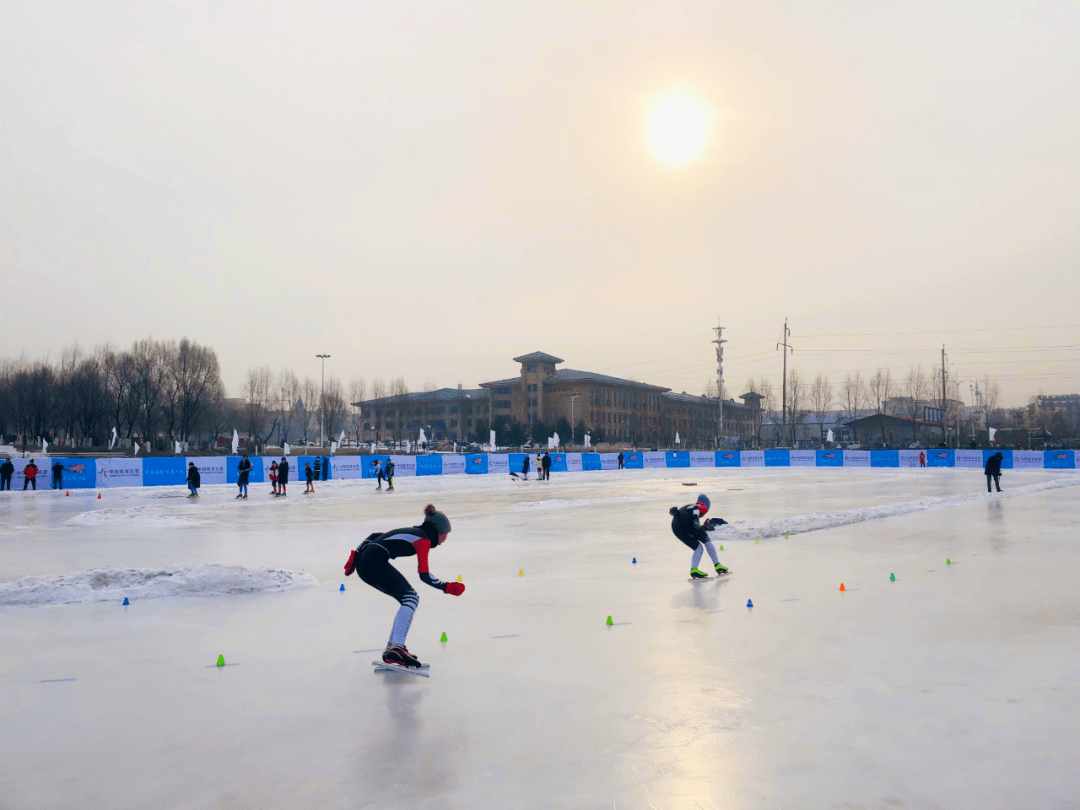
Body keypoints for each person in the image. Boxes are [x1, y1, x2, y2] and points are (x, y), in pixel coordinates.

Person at [343, 504, 464, 669]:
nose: (445, 539)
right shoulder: (423, 539)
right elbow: (424, 575)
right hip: (373, 562)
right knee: (411, 597)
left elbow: (375, 535)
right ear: (438, 532)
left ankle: (393, 647)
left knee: (408, 598)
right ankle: (396, 647)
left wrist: (356, 556)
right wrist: (447, 587)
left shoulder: (414, 531)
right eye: (445, 535)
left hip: (366, 562)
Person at [670, 494, 728, 579]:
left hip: (676, 529)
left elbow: (679, 515)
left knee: (698, 548)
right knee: (707, 540)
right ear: (705, 507)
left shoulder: (689, 506)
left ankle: (694, 570)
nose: (704, 514)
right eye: (707, 510)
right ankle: (717, 565)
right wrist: (702, 526)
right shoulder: (696, 507)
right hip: (687, 525)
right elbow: (696, 521)